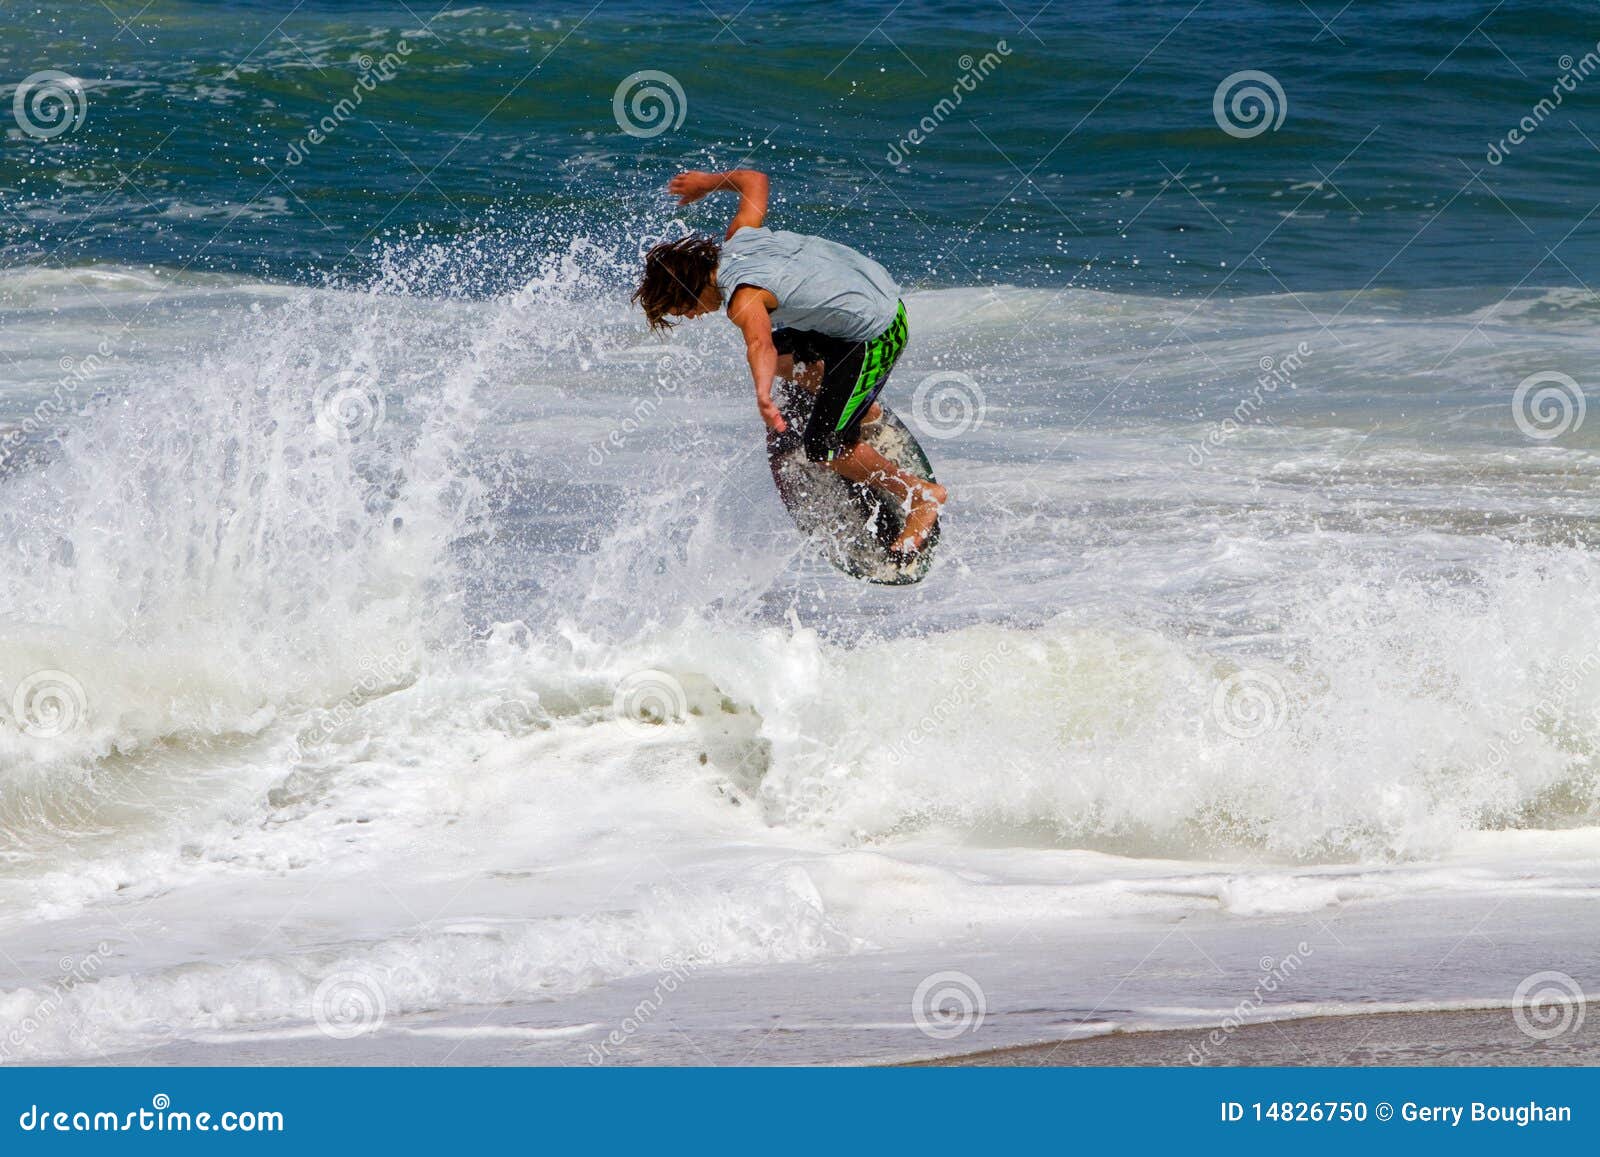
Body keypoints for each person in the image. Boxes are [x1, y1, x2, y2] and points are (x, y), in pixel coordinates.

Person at [632, 168, 946, 556]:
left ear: (690, 289)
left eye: (683, 310)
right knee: (786, 357)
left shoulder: (742, 298)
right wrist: (708, 184)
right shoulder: (739, 239)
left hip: (876, 332)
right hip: (872, 293)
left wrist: (763, 395)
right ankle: (856, 406)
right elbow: (754, 180)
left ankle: (920, 494)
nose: (691, 317)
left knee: (821, 447)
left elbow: (759, 344)